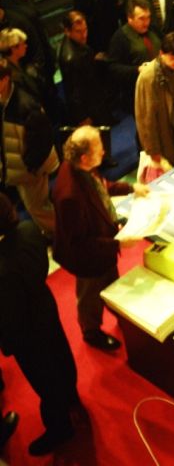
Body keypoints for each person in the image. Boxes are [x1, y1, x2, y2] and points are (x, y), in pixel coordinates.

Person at [52, 125, 149, 351]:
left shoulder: (80, 167)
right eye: (99, 148)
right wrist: (118, 243)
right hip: (89, 260)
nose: (104, 152)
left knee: (112, 284)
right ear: (84, 157)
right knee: (90, 297)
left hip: (102, 246)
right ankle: (91, 332)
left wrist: (131, 188)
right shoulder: (69, 196)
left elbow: (101, 186)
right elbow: (79, 244)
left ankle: (119, 315)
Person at [0, 192, 81, 456]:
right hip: (45, 308)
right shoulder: (29, 229)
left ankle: (60, 428)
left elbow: (9, 315)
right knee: (62, 357)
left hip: (27, 333)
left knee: (45, 382)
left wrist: (8, 344)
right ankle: (72, 397)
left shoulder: (3, 267)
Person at [0, 58, 57, 236]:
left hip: (30, 169)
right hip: (17, 168)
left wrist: (29, 166)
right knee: (37, 206)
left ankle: (63, 235)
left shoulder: (26, 105)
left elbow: (43, 139)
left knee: (38, 207)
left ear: (5, 80)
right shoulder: (5, 101)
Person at [135, 32, 174, 170]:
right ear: (161, 53)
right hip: (163, 134)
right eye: (172, 58)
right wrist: (152, 150)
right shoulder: (148, 78)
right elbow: (145, 118)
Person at [58, 10, 114, 127]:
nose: (84, 35)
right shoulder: (71, 58)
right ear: (67, 31)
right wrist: (82, 117)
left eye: (85, 30)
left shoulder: (74, 45)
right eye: (78, 31)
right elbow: (73, 91)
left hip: (93, 100)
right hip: (88, 108)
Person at [107, 0, 160, 112]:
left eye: (148, 17)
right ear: (129, 18)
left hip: (160, 85)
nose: (146, 22)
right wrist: (137, 69)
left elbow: (164, 43)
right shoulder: (120, 37)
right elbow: (113, 68)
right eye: (141, 19)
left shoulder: (152, 28)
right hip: (138, 92)